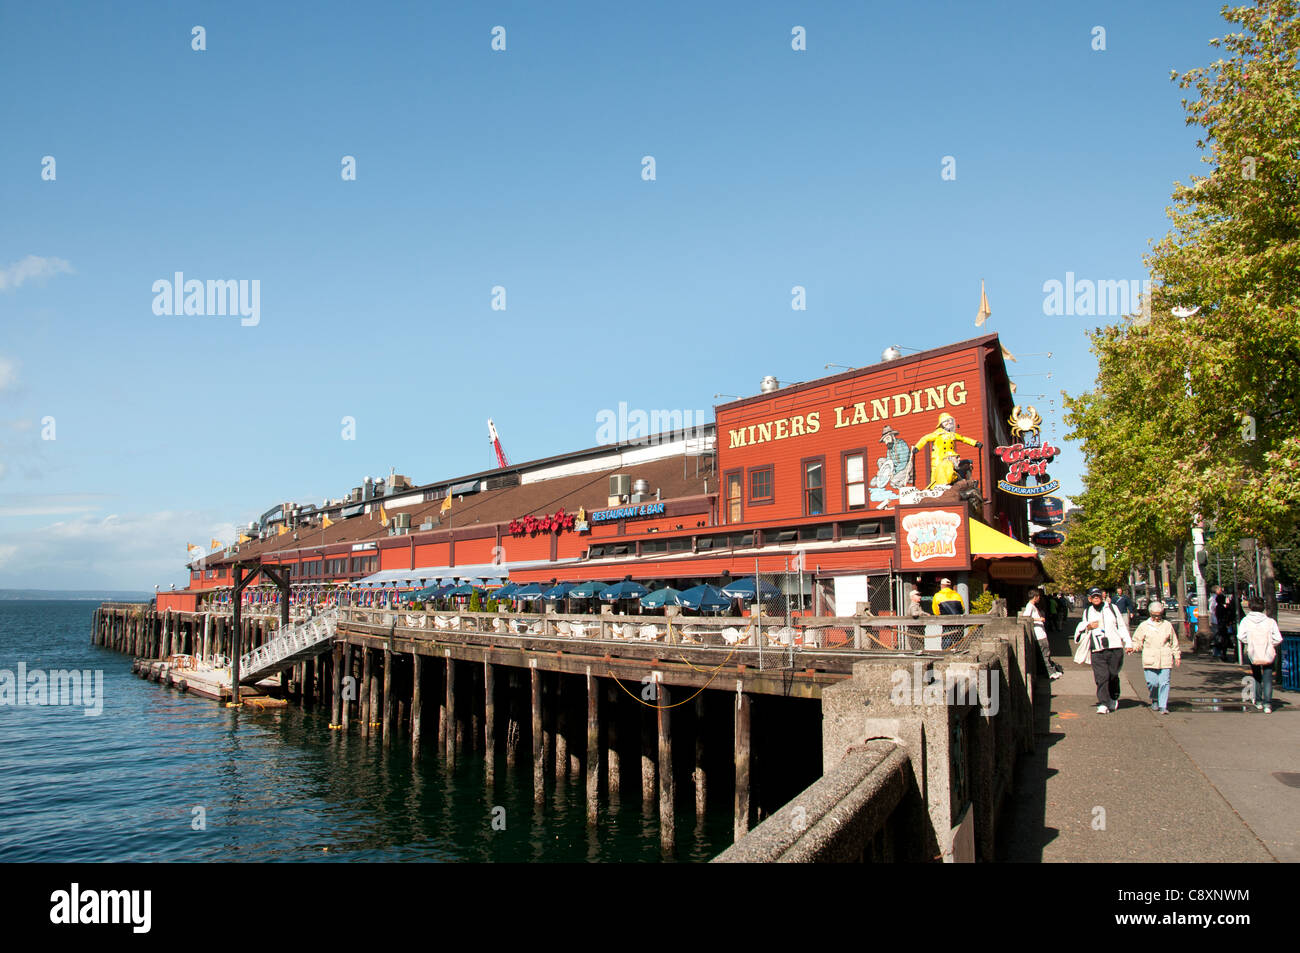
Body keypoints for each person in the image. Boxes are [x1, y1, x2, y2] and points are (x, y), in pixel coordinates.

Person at [1074, 587, 1131, 714]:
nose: (1096, 598)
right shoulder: (1087, 611)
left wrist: (1128, 642)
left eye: (1098, 596)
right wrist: (1088, 626)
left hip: (1114, 647)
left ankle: (1113, 697)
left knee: (1112, 674)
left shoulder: (1112, 608)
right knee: (1102, 676)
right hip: (1097, 649)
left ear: (1102, 597)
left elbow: (1121, 626)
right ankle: (1104, 703)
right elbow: (1082, 627)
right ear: (1089, 598)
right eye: (1093, 596)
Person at [1128, 600, 1180, 713]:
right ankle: (1155, 698)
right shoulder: (1144, 626)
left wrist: (1177, 655)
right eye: (1154, 615)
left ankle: (1163, 706)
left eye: (1159, 615)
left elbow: (1173, 642)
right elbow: (1137, 640)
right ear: (1150, 614)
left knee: (1164, 682)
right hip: (1149, 658)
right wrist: (1133, 648)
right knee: (1153, 683)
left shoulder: (1167, 625)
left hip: (1165, 657)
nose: (1157, 617)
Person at [912, 413, 983, 488]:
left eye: (950, 421)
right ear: (941, 423)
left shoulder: (952, 435)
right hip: (939, 458)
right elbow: (925, 438)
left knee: (957, 469)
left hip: (951, 457)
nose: (949, 423)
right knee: (936, 476)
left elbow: (963, 438)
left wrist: (975, 443)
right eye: (946, 421)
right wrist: (917, 447)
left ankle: (964, 483)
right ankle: (935, 488)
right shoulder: (937, 434)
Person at [1238, 597, 1283, 713]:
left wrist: (1249, 641)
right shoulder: (1270, 621)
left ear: (1250, 606)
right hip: (1267, 652)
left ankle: (1258, 701)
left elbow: (1240, 636)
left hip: (1253, 652)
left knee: (1257, 676)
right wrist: (1270, 644)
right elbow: (1278, 638)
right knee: (1268, 678)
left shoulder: (1246, 621)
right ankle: (1268, 704)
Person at [1022, 588, 1063, 680]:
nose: (1039, 598)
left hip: (1041, 632)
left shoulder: (1032, 606)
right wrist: (1039, 619)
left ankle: (1051, 671)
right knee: (1045, 653)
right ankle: (1050, 672)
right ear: (1035, 597)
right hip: (1039, 634)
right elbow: (1025, 617)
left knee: (1045, 653)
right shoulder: (1030, 606)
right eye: (1038, 596)